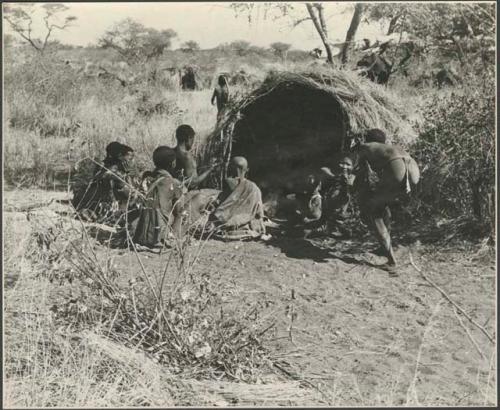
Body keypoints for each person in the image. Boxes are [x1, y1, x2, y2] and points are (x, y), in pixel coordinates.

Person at [350, 134, 420, 272]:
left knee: (373, 211)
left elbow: (355, 169)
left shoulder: (365, 146)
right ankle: (384, 247)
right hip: (413, 169)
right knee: (382, 205)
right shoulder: (389, 147)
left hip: (396, 167)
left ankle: (391, 261)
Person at [132, 146, 185, 250]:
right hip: (159, 236)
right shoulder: (174, 182)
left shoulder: (146, 178)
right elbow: (179, 212)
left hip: (139, 235)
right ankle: (170, 237)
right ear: (172, 164)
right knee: (183, 211)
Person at [72, 142, 137, 223]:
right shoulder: (106, 168)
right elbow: (105, 183)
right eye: (129, 159)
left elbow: (130, 189)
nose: (130, 162)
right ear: (117, 156)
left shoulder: (119, 167)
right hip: (98, 199)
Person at [208, 156, 269, 241]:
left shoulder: (228, 182)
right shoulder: (254, 188)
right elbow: (259, 212)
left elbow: (222, 204)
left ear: (231, 168)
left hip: (226, 225)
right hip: (247, 225)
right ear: (247, 169)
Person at [172, 124, 217, 190]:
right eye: (192, 139)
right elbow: (192, 183)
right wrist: (210, 169)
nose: (193, 143)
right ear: (189, 138)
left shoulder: (172, 152)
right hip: (190, 193)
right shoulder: (187, 156)